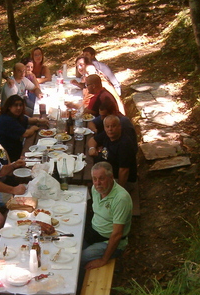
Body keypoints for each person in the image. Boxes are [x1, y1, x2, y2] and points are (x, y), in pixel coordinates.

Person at [77, 162, 132, 293]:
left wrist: (103, 259)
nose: (97, 183)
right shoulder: (95, 190)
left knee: (80, 258)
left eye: (101, 178)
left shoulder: (120, 199)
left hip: (109, 241)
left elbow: (117, 234)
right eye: (94, 179)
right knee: (71, 250)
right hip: (94, 232)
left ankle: (77, 290)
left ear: (111, 177)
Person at [88, 115, 138, 190]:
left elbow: (124, 171)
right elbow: (92, 140)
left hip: (120, 180)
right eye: (107, 126)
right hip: (105, 172)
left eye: (113, 126)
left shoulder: (124, 144)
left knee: (89, 186)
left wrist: (118, 191)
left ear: (119, 126)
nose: (110, 129)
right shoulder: (107, 134)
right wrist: (92, 148)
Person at [0, 95, 47, 162]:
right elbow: (26, 134)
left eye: (21, 105)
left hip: (13, 148)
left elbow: (28, 120)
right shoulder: (6, 120)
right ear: (9, 107)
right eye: (16, 105)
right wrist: (34, 128)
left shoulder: (14, 115)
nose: (19, 108)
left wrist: (39, 120)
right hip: (6, 154)